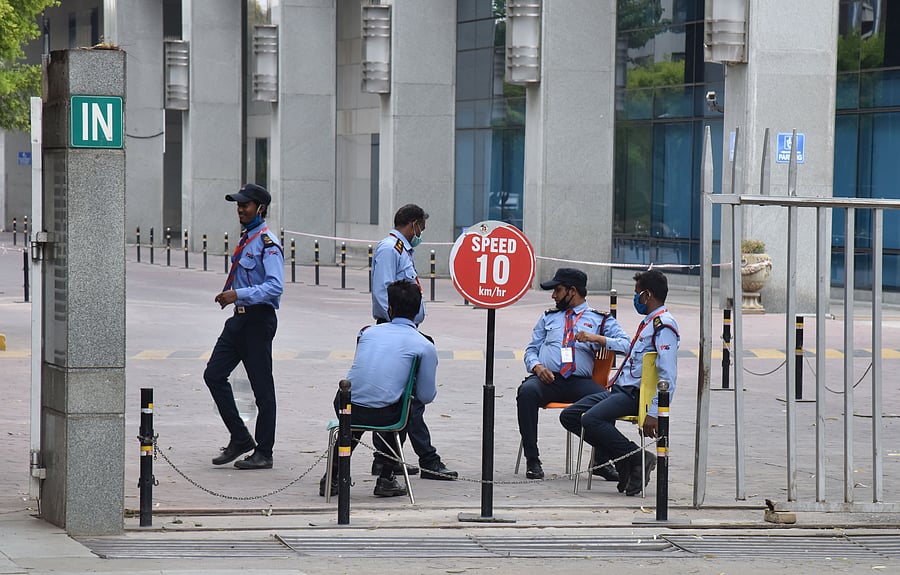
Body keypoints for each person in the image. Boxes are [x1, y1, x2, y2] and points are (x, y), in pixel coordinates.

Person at [559, 269, 679, 496]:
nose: (636, 299)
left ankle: (637, 457)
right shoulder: (649, 323)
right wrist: (598, 339)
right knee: (570, 416)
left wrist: (655, 411)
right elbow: (630, 349)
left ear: (648, 295)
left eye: (637, 294)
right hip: (619, 390)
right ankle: (624, 460)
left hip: (634, 395)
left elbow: (668, 374)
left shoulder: (664, 326)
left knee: (592, 420)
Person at [319, 280, 440, 498]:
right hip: (386, 416)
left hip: (345, 406)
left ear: (389, 309)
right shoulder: (424, 345)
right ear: (419, 311)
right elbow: (426, 395)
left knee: (356, 415)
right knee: (406, 404)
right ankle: (386, 477)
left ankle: (332, 475)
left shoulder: (367, 333)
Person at [368, 204, 458, 481]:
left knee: (402, 398)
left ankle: (386, 459)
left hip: (404, 328)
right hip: (395, 330)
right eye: (421, 229)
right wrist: (398, 327)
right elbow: (384, 292)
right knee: (412, 399)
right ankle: (427, 460)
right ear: (413, 224)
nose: (421, 235)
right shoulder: (389, 249)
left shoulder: (402, 249)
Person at [518, 267, 631, 480]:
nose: (553, 296)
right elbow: (531, 349)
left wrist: (598, 339)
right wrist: (536, 367)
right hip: (548, 379)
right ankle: (532, 459)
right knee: (526, 391)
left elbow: (627, 345)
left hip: (580, 382)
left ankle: (601, 461)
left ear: (572, 291)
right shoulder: (548, 318)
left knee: (609, 401)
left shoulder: (600, 319)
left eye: (557, 290)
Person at [204, 183, 284, 470]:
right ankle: (240, 437)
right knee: (213, 374)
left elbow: (275, 286)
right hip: (239, 319)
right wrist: (233, 298)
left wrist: (238, 294)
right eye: (238, 204)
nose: (240, 208)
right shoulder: (248, 238)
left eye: (246, 204)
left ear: (260, 208)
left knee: (263, 390)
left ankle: (264, 451)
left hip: (258, 319)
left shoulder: (267, 243)